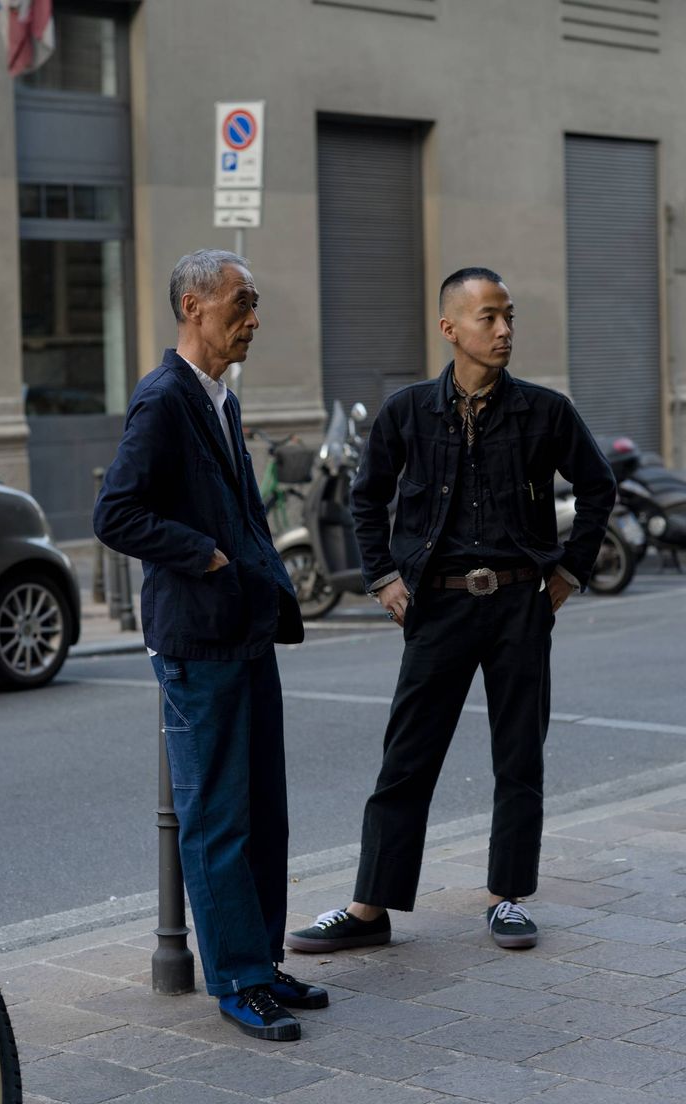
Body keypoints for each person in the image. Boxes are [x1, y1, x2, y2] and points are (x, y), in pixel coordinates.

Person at [287, 266, 616, 955]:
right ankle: (369, 909)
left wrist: (569, 572)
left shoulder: (544, 411)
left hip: (520, 604)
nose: (503, 331)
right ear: (450, 328)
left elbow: (598, 485)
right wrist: (381, 577)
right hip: (435, 608)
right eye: (488, 318)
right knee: (406, 758)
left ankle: (507, 898)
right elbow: (367, 497)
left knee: (518, 756)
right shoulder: (408, 411)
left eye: (509, 317)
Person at [93, 249, 327, 1041]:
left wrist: (259, 579)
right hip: (198, 640)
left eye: (255, 303)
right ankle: (236, 978)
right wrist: (208, 554)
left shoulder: (221, 399)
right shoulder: (163, 399)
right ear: (193, 306)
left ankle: (259, 959)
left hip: (244, 629)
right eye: (241, 303)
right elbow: (115, 515)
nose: (253, 318)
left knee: (264, 813)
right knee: (219, 817)